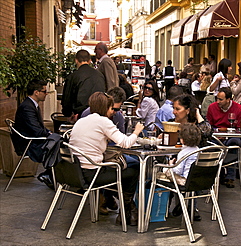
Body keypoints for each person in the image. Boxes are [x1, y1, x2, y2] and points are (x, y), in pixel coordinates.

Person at [70, 92, 144, 226]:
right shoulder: (103, 121)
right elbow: (126, 143)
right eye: (111, 108)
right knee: (133, 169)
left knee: (120, 172)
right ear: (105, 107)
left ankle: (126, 211)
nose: (113, 112)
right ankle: (129, 209)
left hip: (75, 172)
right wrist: (137, 131)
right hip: (93, 175)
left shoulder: (81, 120)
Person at [13, 80, 53, 187]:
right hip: (29, 143)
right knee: (56, 146)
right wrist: (50, 134)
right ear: (36, 92)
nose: (46, 94)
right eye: (44, 91)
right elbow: (37, 131)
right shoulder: (27, 107)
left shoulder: (32, 105)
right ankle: (50, 175)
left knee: (56, 143)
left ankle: (50, 174)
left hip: (32, 139)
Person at [206, 87, 241, 188]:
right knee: (210, 144)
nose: (217, 101)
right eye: (217, 98)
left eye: (220, 99)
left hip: (232, 136)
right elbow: (208, 125)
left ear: (228, 99)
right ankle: (212, 175)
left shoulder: (239, 109)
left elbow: (240, 129)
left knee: (234, 143)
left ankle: (230, 177)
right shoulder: (212, 107)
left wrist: (228, 134)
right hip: (216, 136)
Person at [62, 49, 105, 120]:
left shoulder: (73, 76)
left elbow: (67, 98)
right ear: (89, 60)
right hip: (99, 113)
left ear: (76, 60)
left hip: (80, 114)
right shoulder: (99, 75)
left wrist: (68, 114)